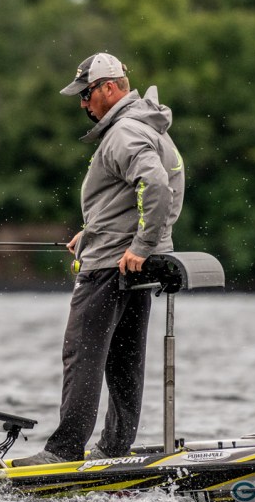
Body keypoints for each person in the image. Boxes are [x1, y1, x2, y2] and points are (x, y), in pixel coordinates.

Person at [15, 52, 184, 466]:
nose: (82, 103)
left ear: (109, 88)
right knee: (124, 361)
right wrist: (94, 232)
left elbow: (155, 186)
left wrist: (140, 246)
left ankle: (64, 452)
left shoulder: (124, 132)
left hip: (113, 266)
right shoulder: (146, 125)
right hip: (130, 264)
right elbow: (130, 196)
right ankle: (114, 447)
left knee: (83, 355)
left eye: (86, 93)